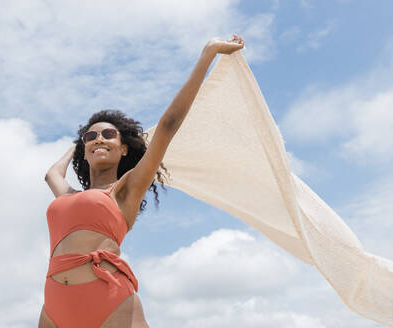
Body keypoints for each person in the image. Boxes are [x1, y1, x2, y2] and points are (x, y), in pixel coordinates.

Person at [38, 34, 245, 328]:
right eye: (91, 136)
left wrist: (208, 54)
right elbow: (51, 174)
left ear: (124, 148)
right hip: (56, 304)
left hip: (108, 300)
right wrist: (79, 145)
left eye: (109, 135)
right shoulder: (67, 196)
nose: (99, 139)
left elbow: (169, 124)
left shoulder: (125, 189)